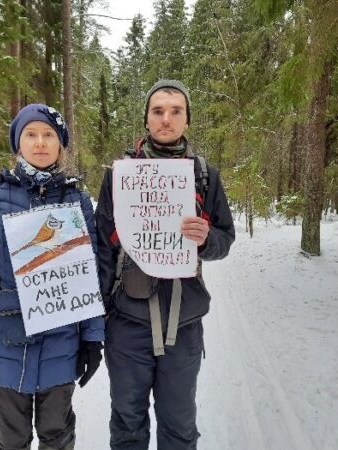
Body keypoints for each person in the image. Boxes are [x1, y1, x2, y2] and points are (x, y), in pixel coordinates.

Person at [0, 104, 105, 450]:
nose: (40, 143)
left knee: (58, 434)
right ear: (17, 143)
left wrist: (92, 339)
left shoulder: (77, 201)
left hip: (61, 341)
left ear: (60, 144)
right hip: (5, 339)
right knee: (11, 438)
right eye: (31, 134)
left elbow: (89, 273)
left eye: (49, 135)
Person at [95, 80, 235, 450]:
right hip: (127, 325)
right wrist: (103, 312)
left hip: (183, 325)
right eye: (158, 111)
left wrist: (206, 238)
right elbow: (103, 246)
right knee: (127, 425)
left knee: (179, 427)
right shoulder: (120, 175)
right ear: (147, 119)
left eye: (176, 111)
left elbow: (225, 241)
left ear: (187, 120)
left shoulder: (205, 175)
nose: (166, 119)